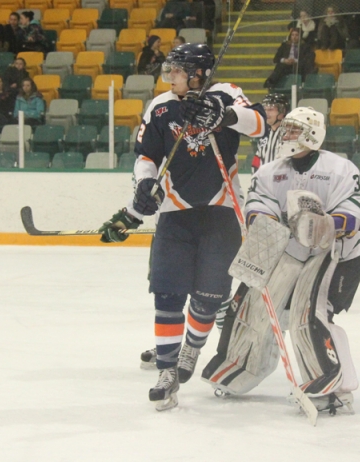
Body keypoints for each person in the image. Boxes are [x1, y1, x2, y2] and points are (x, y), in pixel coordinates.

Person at [98, 43, 265, 411]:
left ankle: (192, 348)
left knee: (209, 298)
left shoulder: (227, 95)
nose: (169, 76)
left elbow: (259, 123)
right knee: (168, 295)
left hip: (220, 213)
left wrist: (220, 114)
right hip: (174, 214)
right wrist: (143, 185)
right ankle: (167, 370)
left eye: (176, 70)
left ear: (198, 74)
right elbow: (146, 157)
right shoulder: (160, 106)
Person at [202, 107, 360, 412]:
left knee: (311, 314)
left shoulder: (342, 169)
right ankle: (241, 369)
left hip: (336, 256)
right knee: (253, 308)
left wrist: (326, 224)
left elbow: (353, 214)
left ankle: (334, 385)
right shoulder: (270, 171)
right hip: (289, 252)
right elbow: (258, 204)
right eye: (287, 128)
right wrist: (263, 220)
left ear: (312, 134)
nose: (286, 135)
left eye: (294, 130)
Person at [251, 93, 289, 172]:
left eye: (271, 109)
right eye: (265, 109)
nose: (266, 113)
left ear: (282, 112)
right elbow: (257, 161)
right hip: (264, 181)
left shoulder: (290, 134)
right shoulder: (264, 133)